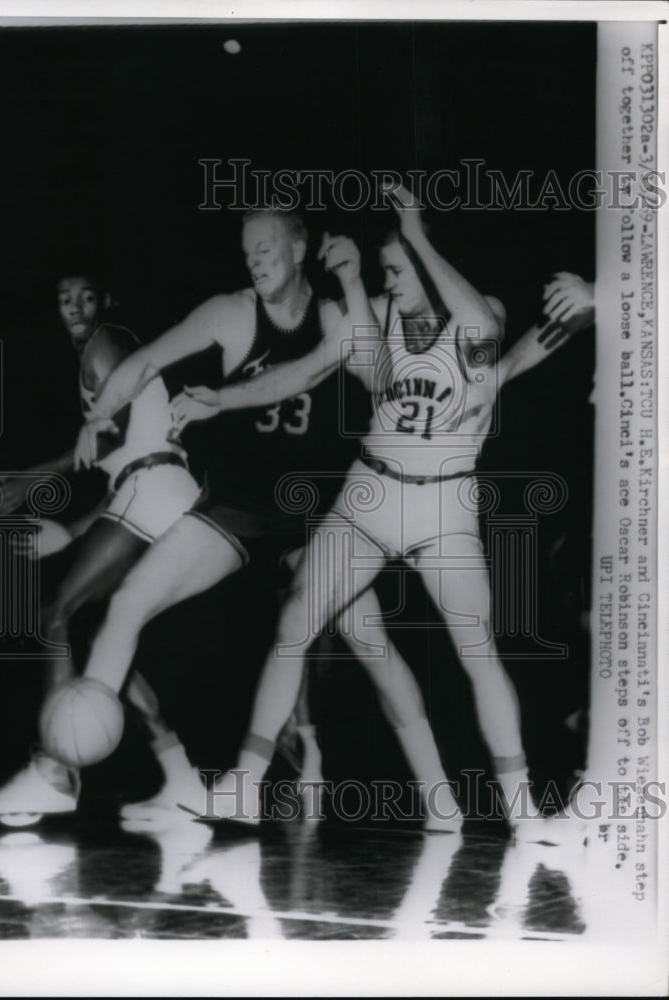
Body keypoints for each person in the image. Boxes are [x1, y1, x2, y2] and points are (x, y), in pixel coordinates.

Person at [173, 181, 595, 828]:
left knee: (476, 651)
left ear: (429, 264)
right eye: (386, 269)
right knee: (294, 626)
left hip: (443, 508)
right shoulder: (375, 310)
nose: (388, 279)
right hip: (370, 494)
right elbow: (309, 370)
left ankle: (522, 811)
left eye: (399, 269)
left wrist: (418, 234)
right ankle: (244, 786)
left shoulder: (483, 315)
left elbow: (482, 329)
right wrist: (220, 398)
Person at [72, 207, 460, 825]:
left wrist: (356, 289)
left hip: (316, 509)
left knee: (369, 641)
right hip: (241, 506)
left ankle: (441, 798)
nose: (254, 260)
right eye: (247, 250)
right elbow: (146, 360)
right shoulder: (230, 311)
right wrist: (100, 413)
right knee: (129, 601)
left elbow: (371, 373)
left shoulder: (333, 313)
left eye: (266, 248)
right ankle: (63, 766)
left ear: (299, 248)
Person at [0, 273, 201, 824]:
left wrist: (30, 478)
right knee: (108, 635)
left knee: (56, 615)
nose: (73, 305)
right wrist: (71, 532)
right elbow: (125, 468)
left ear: (106, 302)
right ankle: (184, 779)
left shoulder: (107, 342)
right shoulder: (96, 355)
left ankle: (53, 776)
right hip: (155, 489)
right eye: (64, 297)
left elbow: (111, 437)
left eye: (85, 295)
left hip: (154, 487)